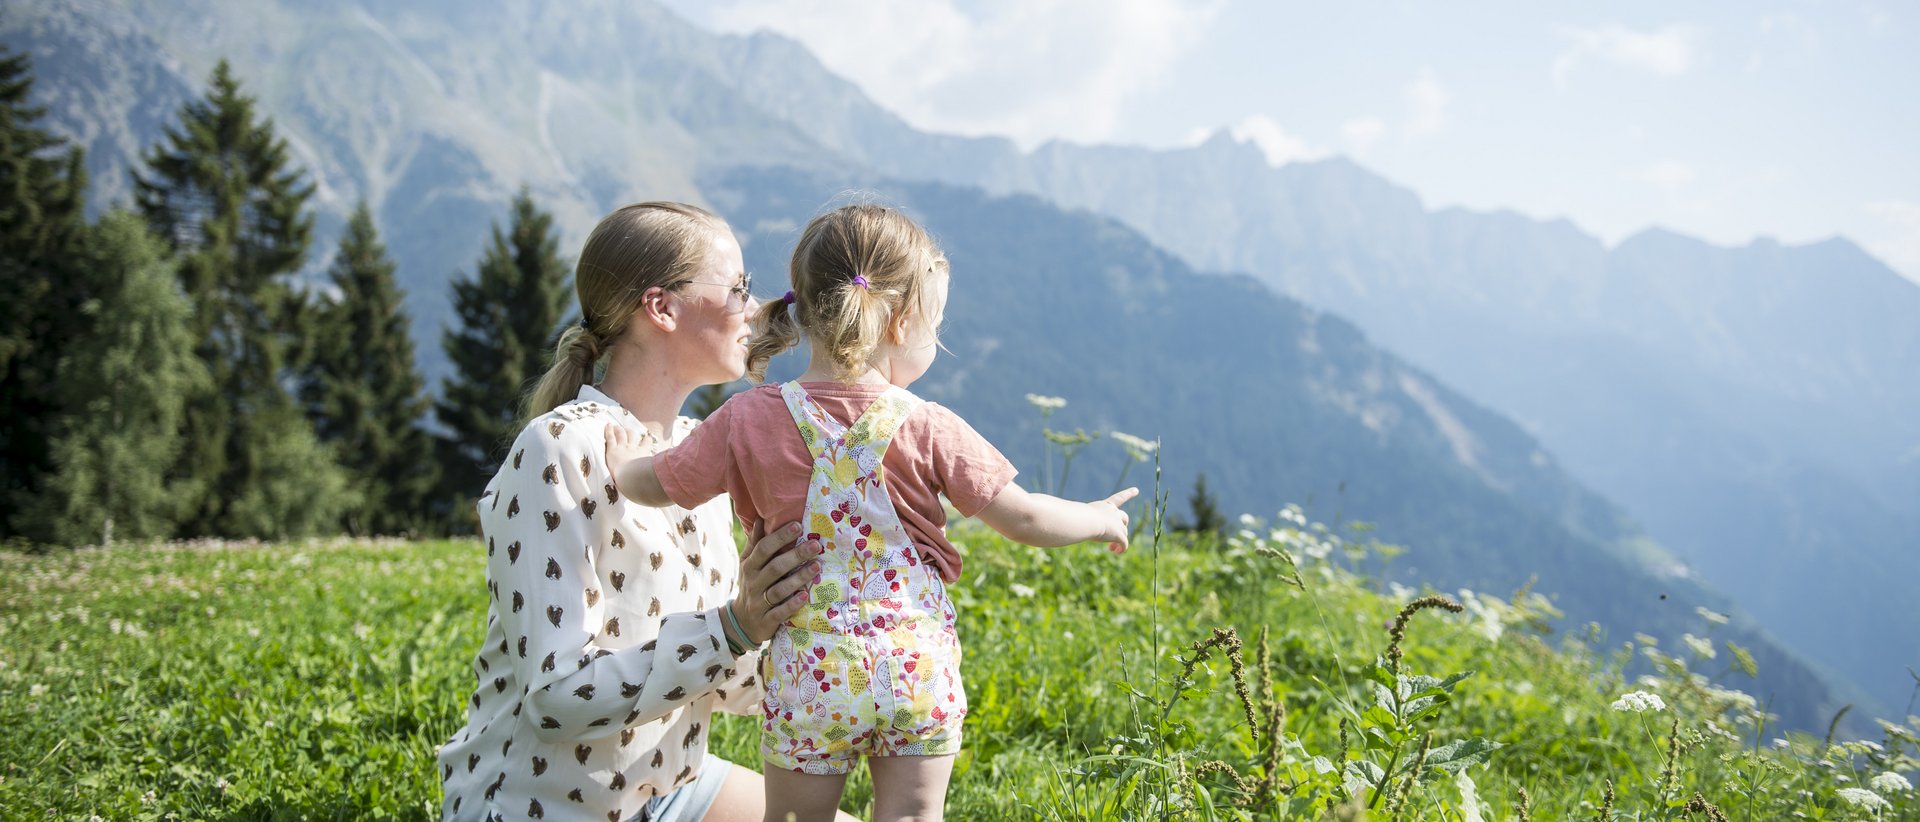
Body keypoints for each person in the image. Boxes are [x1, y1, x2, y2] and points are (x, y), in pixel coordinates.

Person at [603, 203, 1137, 821]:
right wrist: (1099, 517)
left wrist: (623, 462)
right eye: (935, 324)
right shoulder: (929, 424)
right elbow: (1026, 518)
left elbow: (660, 484)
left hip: (813, 675)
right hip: (915, 670)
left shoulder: (747, 418)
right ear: (901, 321)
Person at [436, 202, 854, 822]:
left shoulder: (699, 450)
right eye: (738, 287)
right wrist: (734, 628)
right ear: (661, 307)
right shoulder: (559, 447)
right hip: (544, 807)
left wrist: (825, 642)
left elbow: (726, 680)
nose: (754, 308)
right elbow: (555, 697)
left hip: (669, 789)